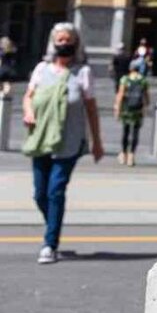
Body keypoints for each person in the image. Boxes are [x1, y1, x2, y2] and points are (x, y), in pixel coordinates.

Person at [22, 23, 104, 264]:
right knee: (40, 195)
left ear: (76, 43)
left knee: (55, 191)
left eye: (69, 39)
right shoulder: (41, 69)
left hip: (69, 142)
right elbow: (28, 96)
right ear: (52, 42)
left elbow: (91, 109)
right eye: (60, 39)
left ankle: (50, 244)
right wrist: (28, 112)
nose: (64, 43)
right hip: (41, 138)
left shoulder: (83, 73)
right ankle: (53, 225)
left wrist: (96, 141)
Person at [114, 60, 149, 167]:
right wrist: (145, 107)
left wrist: (117, 109)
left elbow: (120, 95)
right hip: (137, 109)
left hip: (126, 109)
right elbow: (146, 97)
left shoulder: (125, 79)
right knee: (135, 132)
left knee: (126, 131)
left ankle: (123, 154)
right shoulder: (143, 80)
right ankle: (132, 156)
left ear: (130, 68)